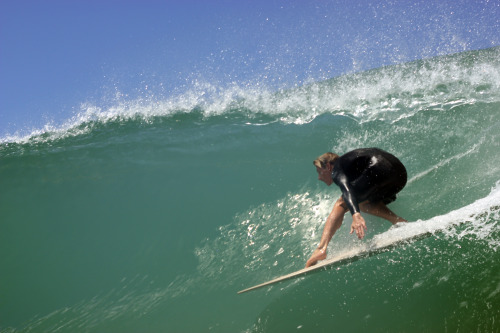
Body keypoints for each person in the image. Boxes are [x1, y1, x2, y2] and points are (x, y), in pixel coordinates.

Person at [306, 147, 407, 268]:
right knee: (363, 203)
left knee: (341, 202)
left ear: (328, 166)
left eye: (319, 171)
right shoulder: (351, 163)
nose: (319, 177)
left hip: (379, 170)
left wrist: (355, 214)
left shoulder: (337, 169)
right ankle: (400, 222)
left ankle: (321, 249)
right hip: (400, 176)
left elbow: (346, 190)